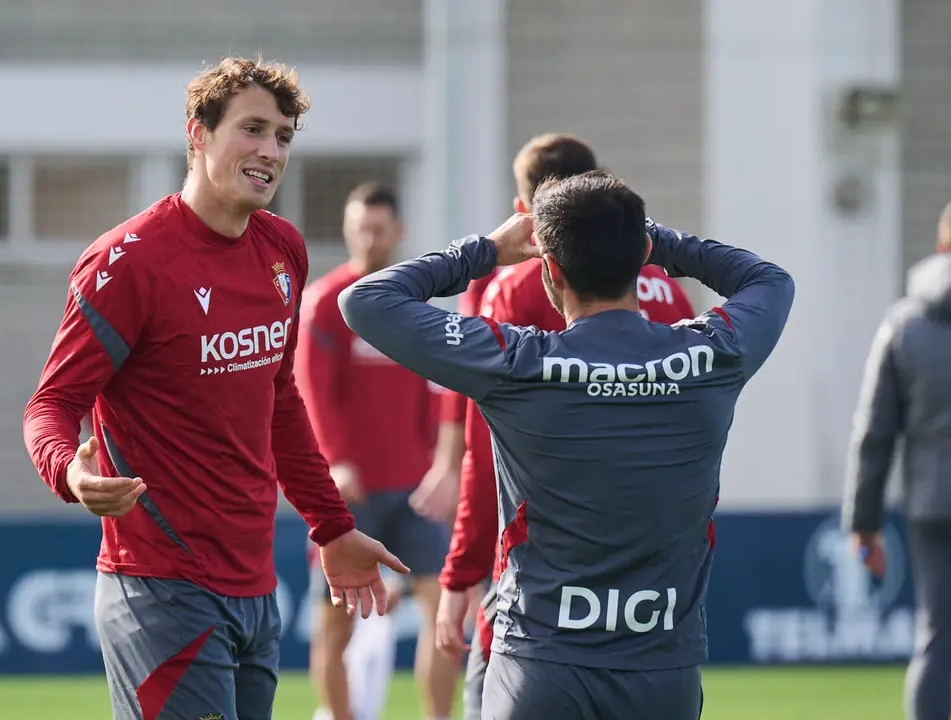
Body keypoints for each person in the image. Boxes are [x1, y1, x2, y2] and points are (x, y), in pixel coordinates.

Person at [21, 56, 409, 720]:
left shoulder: (281, 249)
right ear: (197, 134)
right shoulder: (130, 262)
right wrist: (71, 475)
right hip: (159, 591)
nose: (269, 150)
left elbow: (279, 402)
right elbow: (51, 405)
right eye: (252, 129)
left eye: (283, 136)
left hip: (255, 588)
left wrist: (330, 527)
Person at [337, 169, 794, 718]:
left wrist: (485, 251)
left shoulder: (520, 363)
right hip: (661, 676)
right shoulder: (710, 357)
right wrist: (659, 242)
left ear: (549, 269)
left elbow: (366, 300)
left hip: (540, 669)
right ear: (642, 253)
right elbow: (770, 281)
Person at [437, 133, 697, 719]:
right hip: (656, 599)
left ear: (527, 215)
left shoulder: (516, 287)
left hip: (546, 591)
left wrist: (462, 571)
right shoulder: (672, 293)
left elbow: (487, 450)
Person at [296, 182, 462, 720]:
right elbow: (311, 392)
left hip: (413, 489)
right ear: (348, 231)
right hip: (349, 492)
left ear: (398, 232)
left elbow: (442, 393)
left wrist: (444, 465)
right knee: (335, 621)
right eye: (359, 228)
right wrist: (335, 462)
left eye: (378, 228)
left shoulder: (411, 305)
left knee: (444, 611)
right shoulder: (326, 303)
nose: (368, 238)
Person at [842, 200, 951, 720]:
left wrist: (864, 524)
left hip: (935, 501)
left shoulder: (905, 324)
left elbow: (874, 431)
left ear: (941, 245)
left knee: (936, 639)